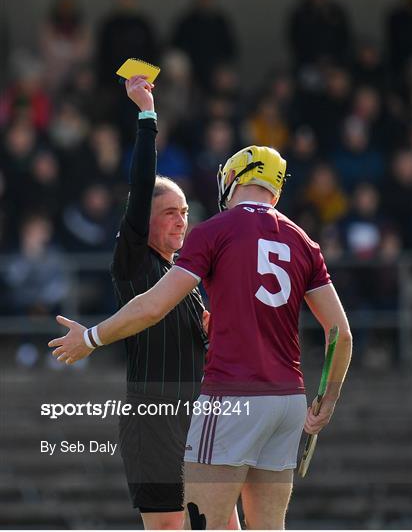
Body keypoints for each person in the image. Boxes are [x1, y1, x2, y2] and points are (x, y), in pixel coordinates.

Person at [49, 143, 352, 529]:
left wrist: (91, 338)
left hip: (230, 397)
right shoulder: (304, 242)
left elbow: (152, 306)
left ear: (232, 179)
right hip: (288, 400)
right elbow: (340, 334)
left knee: (204, 526)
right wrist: (329, 397)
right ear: (275, 189)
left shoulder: (213, 231)